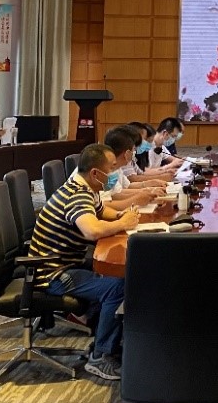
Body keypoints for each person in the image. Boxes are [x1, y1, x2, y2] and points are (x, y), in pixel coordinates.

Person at [27, 143, 142, 382]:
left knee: (122, 276)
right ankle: (100, 357)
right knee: (118, 287)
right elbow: (92, 231)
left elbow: (101, 212)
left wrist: (120, 216)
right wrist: (123, 224)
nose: (114, 173)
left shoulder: (85, 188)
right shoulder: (76, 195)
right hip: (54, 273)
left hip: (67, 263)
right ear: (95, 173)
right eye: (111, 168)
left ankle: (105, 340)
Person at [100, 127, 168, 211]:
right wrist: (140, 197)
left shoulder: (117, 167)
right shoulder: (103, 168)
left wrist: (149, 186)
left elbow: (126, 186)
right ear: (127, 153)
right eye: (134, 150)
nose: (134, 153)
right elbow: (113, 196)